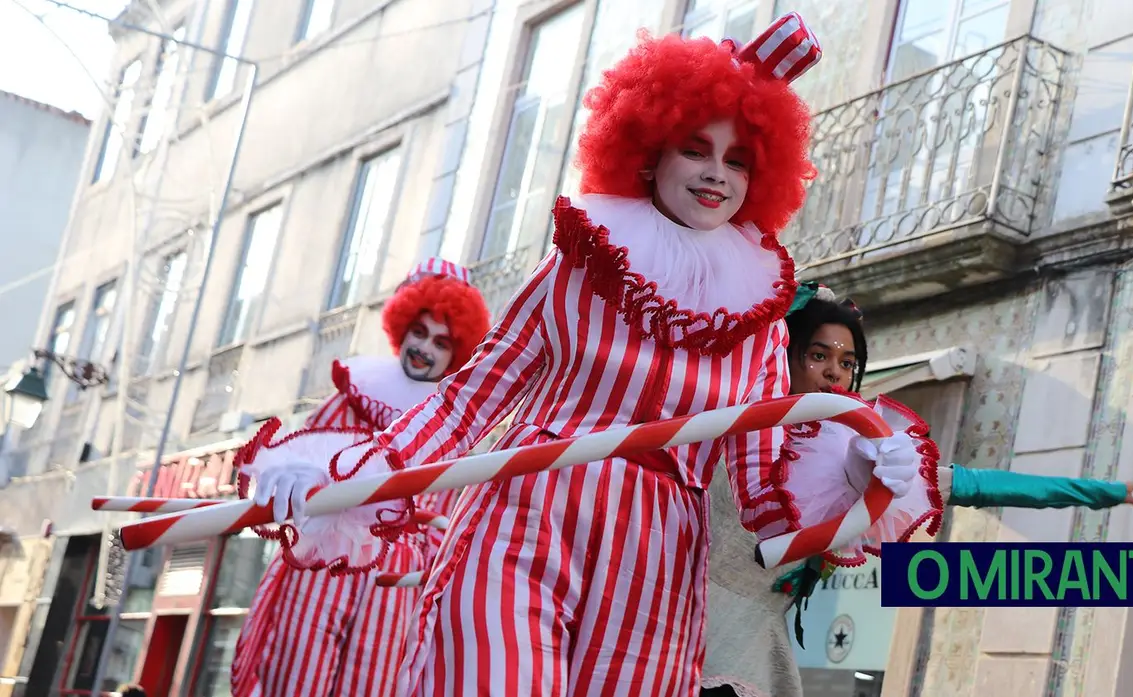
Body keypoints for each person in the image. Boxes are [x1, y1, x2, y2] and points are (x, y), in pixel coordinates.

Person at [251, 15, 861, 697]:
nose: (717, 174)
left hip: (655, 564)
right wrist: (357, 476)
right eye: (696, 149)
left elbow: (760, 486)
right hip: (527, 514)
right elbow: (471, 397)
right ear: (649, 149)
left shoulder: (758, 323)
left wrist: (854, 479)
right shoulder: (577, 266)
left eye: (738, 159)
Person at [698, 284, 1133, 697]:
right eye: (818, 356)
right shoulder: (725, 412)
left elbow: (979, 486)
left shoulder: (869, 455)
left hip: (745, 651)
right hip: (665, 616)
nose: (834, 373)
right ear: (786, 353)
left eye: (847, 363)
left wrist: (1103, 492)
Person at [229, 258, 490, 697]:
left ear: (455, 353)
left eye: (441, 343)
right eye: (420, 333)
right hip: (325, 559)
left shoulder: (449, 429)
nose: (425, 348)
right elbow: (294, 456)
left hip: (396, 582)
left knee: (372, 682)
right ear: (402, 327)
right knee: (296, 673)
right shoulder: (354, 395)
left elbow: (449, 522)